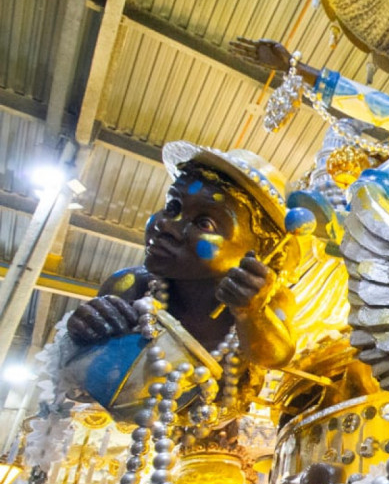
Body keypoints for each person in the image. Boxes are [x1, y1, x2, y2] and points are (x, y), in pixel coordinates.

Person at [65, 143, 297, 370]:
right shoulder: (133, 286)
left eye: (204, 223)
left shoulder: (269, 300)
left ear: (260, 253)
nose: (166, 225)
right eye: (172, 207)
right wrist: (85, 330)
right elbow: (87, 374)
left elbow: (277, 356)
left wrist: (253, 313)